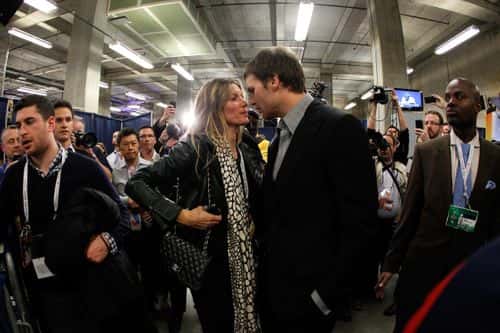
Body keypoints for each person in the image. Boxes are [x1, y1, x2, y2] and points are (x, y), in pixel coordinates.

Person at [244, 47, 378, 333]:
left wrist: (325, 297)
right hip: (276, 293)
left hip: (311, 301)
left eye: (252, 90)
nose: (249, 100)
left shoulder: (338, 126)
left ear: (274, 81)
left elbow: (360, 223)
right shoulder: (281, 137)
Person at [0, 95, 154, 333]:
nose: (22, 132)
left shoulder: (85, 168)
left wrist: (107, 241)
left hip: (90, 284)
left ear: (50, 124)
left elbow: (122, 215)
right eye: (18, 125)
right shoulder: (13, 176)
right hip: (44, 287)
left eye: (30, 122)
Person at [126, 78, 265, 333]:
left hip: (249, 257)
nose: (244, 102)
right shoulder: (195, 146)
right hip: (211, 261)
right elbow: (137, 183)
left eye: (242, 96)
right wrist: (181, 215)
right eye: (234, 97)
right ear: (215, 106)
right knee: (219, 324)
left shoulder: (247, 146)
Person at [376, 78, 500, 332]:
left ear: (477, 105)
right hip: (425, 259)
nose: (451, 103)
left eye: (460, 97)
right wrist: (392, 261)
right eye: (448, 97)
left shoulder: (495, 157)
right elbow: (410, 211)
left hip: (470, 263)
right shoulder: (428, 152)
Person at [368, 90, 409, 164]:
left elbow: (404, 131)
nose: (392, 134)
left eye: (394, 132)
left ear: (395, 147)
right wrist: (375, 104)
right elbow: (370, 131)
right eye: (390, 132)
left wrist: (397, 104)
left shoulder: (400, 155)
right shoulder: (376, 158)